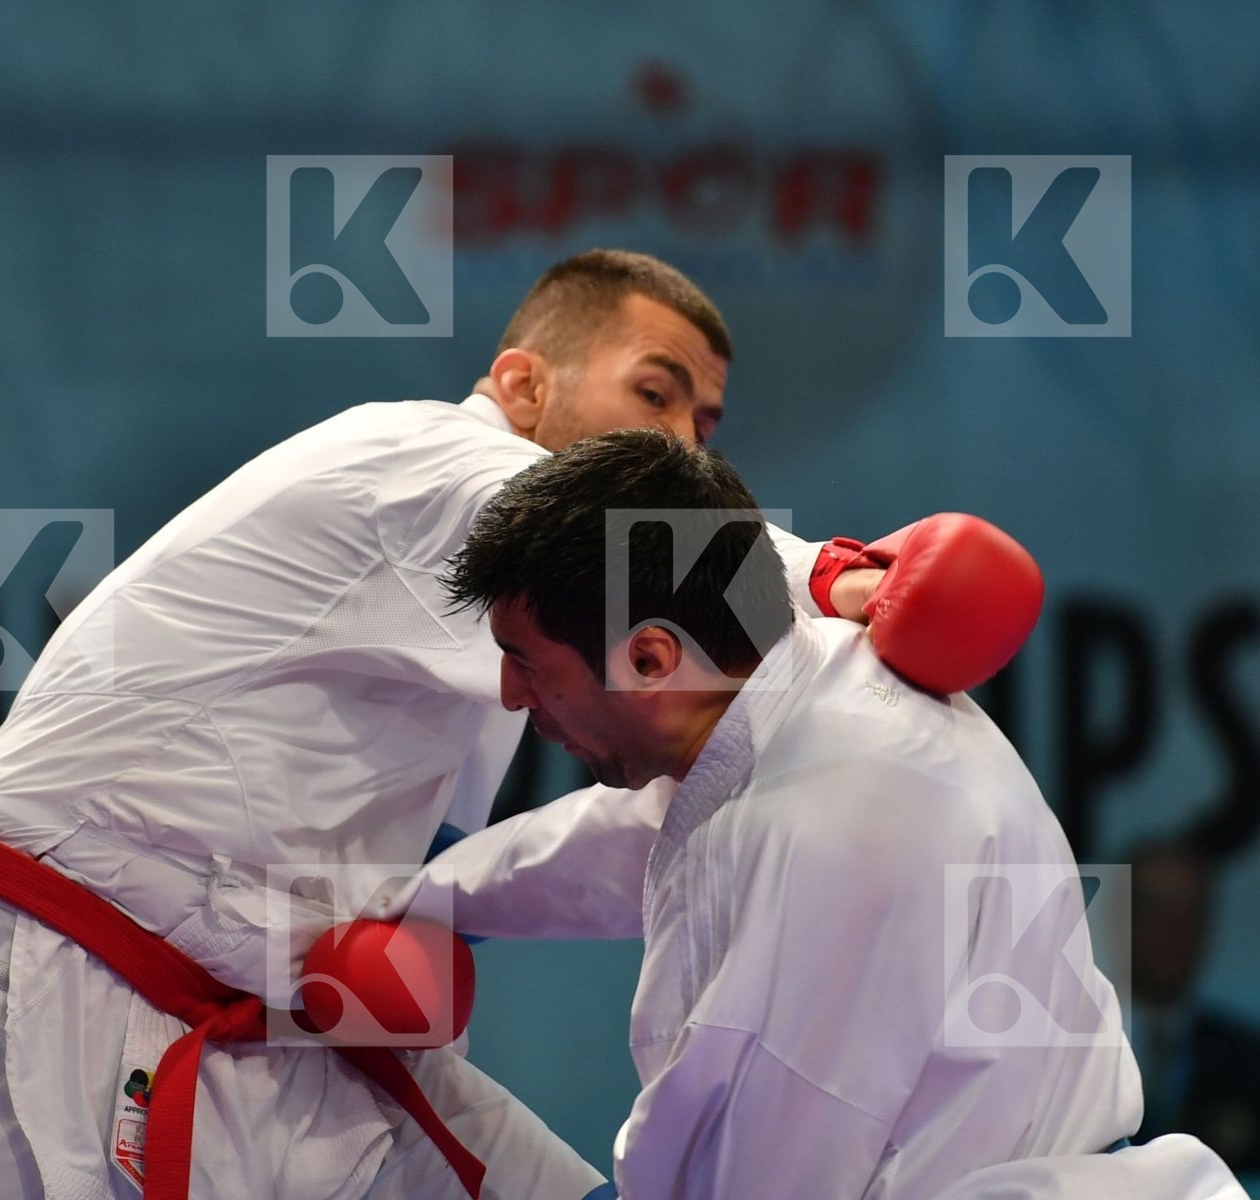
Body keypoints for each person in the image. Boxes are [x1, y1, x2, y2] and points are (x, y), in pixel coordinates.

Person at [0, 250, 1029, 1200]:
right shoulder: (421, 462)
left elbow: (624, 831)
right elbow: (657, 552)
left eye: (703, 422)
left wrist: (419, 915)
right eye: (654, 392)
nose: (680, 440)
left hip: (255, 1019)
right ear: (523, 383)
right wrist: (849, 580)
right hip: (35, 968)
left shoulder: (706, 705)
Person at [397, 427, 1246, 1199]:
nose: (509, 696)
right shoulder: (800, 683)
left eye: (524, 662)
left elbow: (760, 1184)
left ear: (651, 658)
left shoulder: (821, 835)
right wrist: (425, 899)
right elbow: (630, 839)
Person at [1125, 837, 1260, 1172]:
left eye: (1189, 913)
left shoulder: (1249, 1060)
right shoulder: (1070, 1051)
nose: (1172, 930)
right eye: (1153, 908)